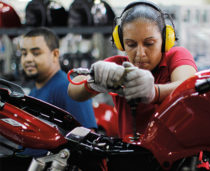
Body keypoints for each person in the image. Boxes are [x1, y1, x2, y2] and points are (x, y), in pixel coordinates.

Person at [68, 1, 198, 139]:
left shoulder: (176, 56)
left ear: (165, 40)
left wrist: (154, 92)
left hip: (182, 157)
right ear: (121, 43)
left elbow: (189, 87)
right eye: (131, 44)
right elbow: (73, 90)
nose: (140, 53)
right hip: (133, 156)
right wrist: (93, 83)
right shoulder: (118, 65)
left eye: (149, 44)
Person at [0, 27, 98, 171]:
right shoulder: (34, 91)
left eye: (36, 53)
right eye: (24, 53)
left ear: (55, 54)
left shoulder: (67, 88)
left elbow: (89, 141)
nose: (28, 59)